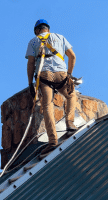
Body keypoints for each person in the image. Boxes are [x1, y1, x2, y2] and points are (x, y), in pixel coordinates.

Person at [25, 19, 78, 155]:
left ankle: (53, 141)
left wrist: (30, 83)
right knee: (71, 95)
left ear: (37, 30)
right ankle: (70, 123)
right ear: (47, 29)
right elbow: (72, 56)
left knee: (47, 105)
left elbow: (31, 63)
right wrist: (70, 75)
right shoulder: (60, 37)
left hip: (44, 75)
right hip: (61, 74)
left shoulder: (33, 41)